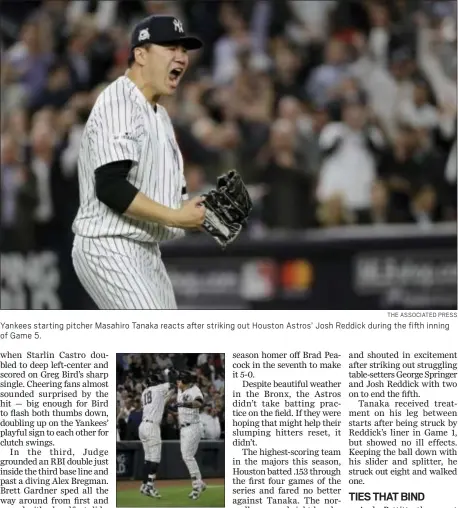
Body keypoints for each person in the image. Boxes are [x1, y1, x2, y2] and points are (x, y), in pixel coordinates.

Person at [71, 15, 206, 309]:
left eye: (184, 50)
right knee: (153, 346)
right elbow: (110, 187)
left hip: (145, 249)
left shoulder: (161, 115)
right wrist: (175, 217)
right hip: (108, 244)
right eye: (171, 48)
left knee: (168, 351)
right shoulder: (119, 101)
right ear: (141, 54)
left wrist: (203, 212)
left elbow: (172, 202)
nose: (181, 57)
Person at [138, 374, 175, 499]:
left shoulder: (144, 393)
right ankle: (150, 486)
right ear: (155, 382)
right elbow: (172, 385)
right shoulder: (158, 388)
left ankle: (144, 485)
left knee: (148, 458)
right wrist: (172, 382)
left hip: (143, 426)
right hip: (152, 427)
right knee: (155, 459)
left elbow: (158, 405)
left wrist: (167, 396)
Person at [176, 371, 206, 500]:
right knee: (186, 456)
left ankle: (197, 486)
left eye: (179, 380)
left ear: (185, 381)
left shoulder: (195, 390)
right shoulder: (180, 390)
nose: (177, 382)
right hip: (184, 427)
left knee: (188, 456)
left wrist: (185, 404)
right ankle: (200, 483)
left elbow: (199, 403)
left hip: (193, 426)